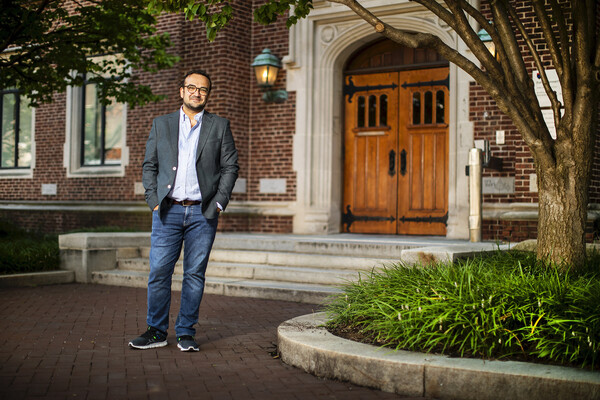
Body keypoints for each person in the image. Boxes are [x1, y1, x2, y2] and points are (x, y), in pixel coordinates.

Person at [129, 70, 238, 351]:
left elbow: (230, 167)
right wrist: (153, 199)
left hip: (203, 213)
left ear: (207, 95)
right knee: (159, 272)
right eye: (191, 87)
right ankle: (156, 331)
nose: (196, 93)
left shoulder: (219, 125)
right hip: (168, 210)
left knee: (194, 274)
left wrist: (218, 202)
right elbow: (149, 165)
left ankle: (186, 331)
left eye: (202, 89)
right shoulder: (161, 124)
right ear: (181, 91)